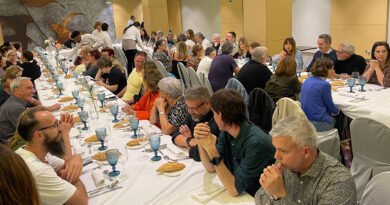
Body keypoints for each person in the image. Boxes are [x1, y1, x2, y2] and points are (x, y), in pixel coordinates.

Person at [255, 116, 357, 205]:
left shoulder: (339, 182)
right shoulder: (284, 165)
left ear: (306, 152)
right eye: (276, 149)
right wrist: (272, 193)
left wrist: (280, 195)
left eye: (283, 151)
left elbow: (276, 196)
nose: (276, 156)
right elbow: (259, 198)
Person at [194, 89, 275, 196]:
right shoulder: (228, 131)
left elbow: (234, 189)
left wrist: (211, 149)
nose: (213, 118)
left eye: (214, 113)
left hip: (256, 197)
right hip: (242, 193)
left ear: (221, 115)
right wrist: (201, 140)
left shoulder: (256, 143)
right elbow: (211, 167)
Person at [15, 107, 88, 205]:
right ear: (38, 135)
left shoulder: (34, 151)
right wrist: (73, 177)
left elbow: (67, 166)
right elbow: (81, 202)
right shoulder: (38, 170)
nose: (60, 128)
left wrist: (76, 158)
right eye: (55, 125)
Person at [171, 85, 219, 161]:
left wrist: (190, 144)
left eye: (193, 108)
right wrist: (190, 140)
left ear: (207, 103)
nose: (190, 112)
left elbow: (197, 154)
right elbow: (175, 135)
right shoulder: (193, 114)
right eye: (188, 107)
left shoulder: (216, 121)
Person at [301, 58, 339, 132]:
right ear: (325, 70)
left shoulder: (307, 80)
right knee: (340, 117)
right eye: (332, 69)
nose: (334, 71)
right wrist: (337, 111)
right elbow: (331, 107)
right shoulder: (324, 85)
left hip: (306, 119)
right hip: (318, 122)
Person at [0, 77, 34, 143]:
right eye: (29, 88)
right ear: (17, 90)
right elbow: (28, 131)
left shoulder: (14, 101)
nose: (33, 91)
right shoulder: (16, 107)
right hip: (13, 143)